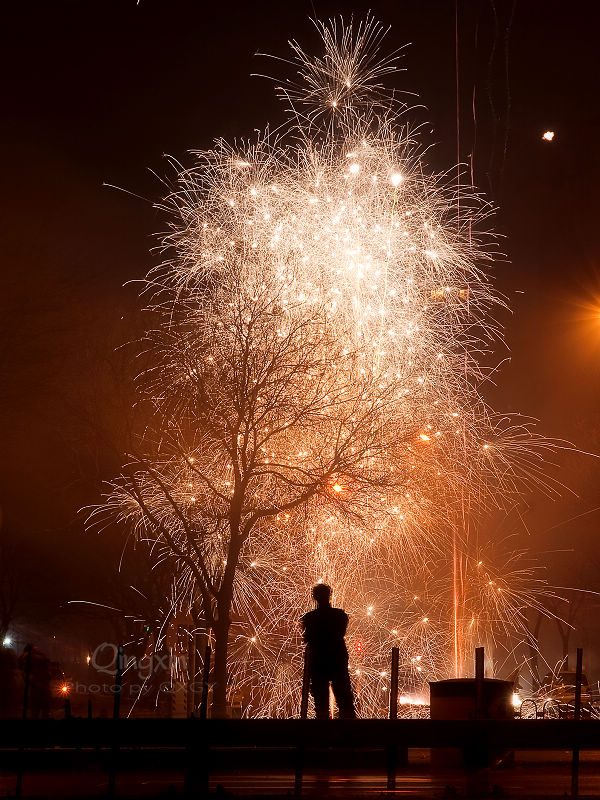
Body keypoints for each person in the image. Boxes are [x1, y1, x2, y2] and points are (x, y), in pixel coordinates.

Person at [301, 584, 356, 719]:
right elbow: (341, 633)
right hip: (337, 658)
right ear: (329, 594)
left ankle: (322, 732)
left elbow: (307, 638)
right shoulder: (340, 615)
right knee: (344, 697)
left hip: (318, 660)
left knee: (320, 701)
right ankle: (351, 732)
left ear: (314, 597)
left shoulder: (309, 618)